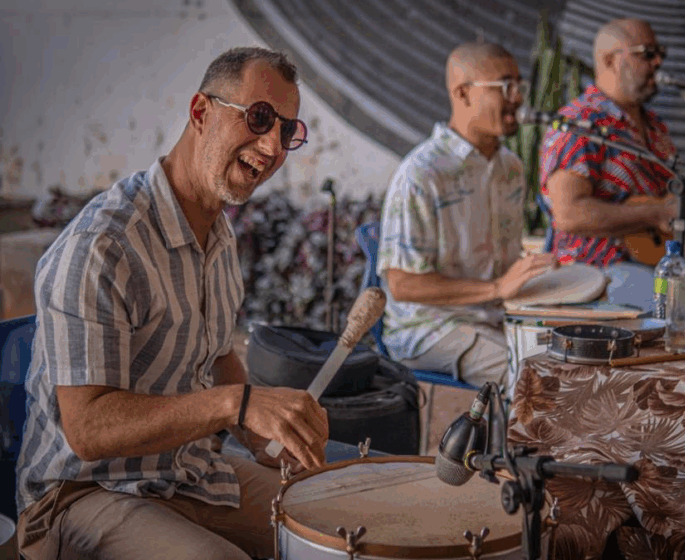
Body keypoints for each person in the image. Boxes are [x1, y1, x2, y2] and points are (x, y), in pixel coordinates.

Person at [15, 47, 329, 560]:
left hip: (184, 471)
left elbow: (219, 357)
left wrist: (262, 437)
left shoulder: (218, 236)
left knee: (330, 521)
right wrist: (237, 404)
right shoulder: (103, 246)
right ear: (201, 112)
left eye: (287, 130)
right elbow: (87, 430)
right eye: (259, 117)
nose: (273, 146)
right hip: (82, 492)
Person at [377, 42, 555, 389]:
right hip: (429, 328)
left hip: (496, 317)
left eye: (519, 86)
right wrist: (496, 288)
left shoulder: (511, 168)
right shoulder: (422, 173)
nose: (518, 98)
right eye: (506, 86)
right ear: (462, 93)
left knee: (578, 359)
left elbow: (503, 266)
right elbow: (402, 284)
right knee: (534, 379)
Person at [539, 18, 685, 312]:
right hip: (598, 267)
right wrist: (655, 213)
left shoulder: (653, 126)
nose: (658, 62)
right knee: (683, 310)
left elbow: (674, 201)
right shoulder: (580, 123)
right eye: (647, 53)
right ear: (610, 60)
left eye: (661, 53)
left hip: (659, 258)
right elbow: (569, 214)